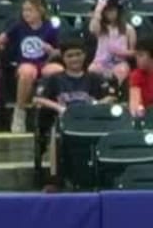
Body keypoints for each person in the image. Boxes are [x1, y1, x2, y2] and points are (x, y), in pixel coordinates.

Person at [33, 35, 113, 185]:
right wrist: (59, 108)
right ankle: (56, 179)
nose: (74, 59)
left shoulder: (95, 78)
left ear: (84, 55)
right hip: (62, 125)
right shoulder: (54, 79)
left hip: (91, 124)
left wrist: (95, 104)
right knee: (55, 132)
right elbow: (37, 99)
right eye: (70, 56)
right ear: (63, 58)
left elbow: (111, 98)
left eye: (78, 54)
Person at [0, 0, 62, 133]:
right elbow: (1, 38)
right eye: (24, 10)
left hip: (44, 63)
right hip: (26, 63)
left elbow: (60, 52)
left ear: (41, 10)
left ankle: (55, 110)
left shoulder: (50, 27)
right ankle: (20, 112)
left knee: (57, 70)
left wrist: (51, 51)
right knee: (27, 72)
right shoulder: (19, 27)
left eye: (30, 10)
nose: (26, 13)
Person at [88, 0, 135, 83]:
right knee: (92, 70)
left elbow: (134, 52)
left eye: (112, 10)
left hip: (119, 63)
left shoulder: (128, 29)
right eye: (106, 11)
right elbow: (92, 29)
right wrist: (98, 10)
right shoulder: (101, 28)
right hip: (100, 63)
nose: (109, 13)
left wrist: (120, 52)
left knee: (121, 71)